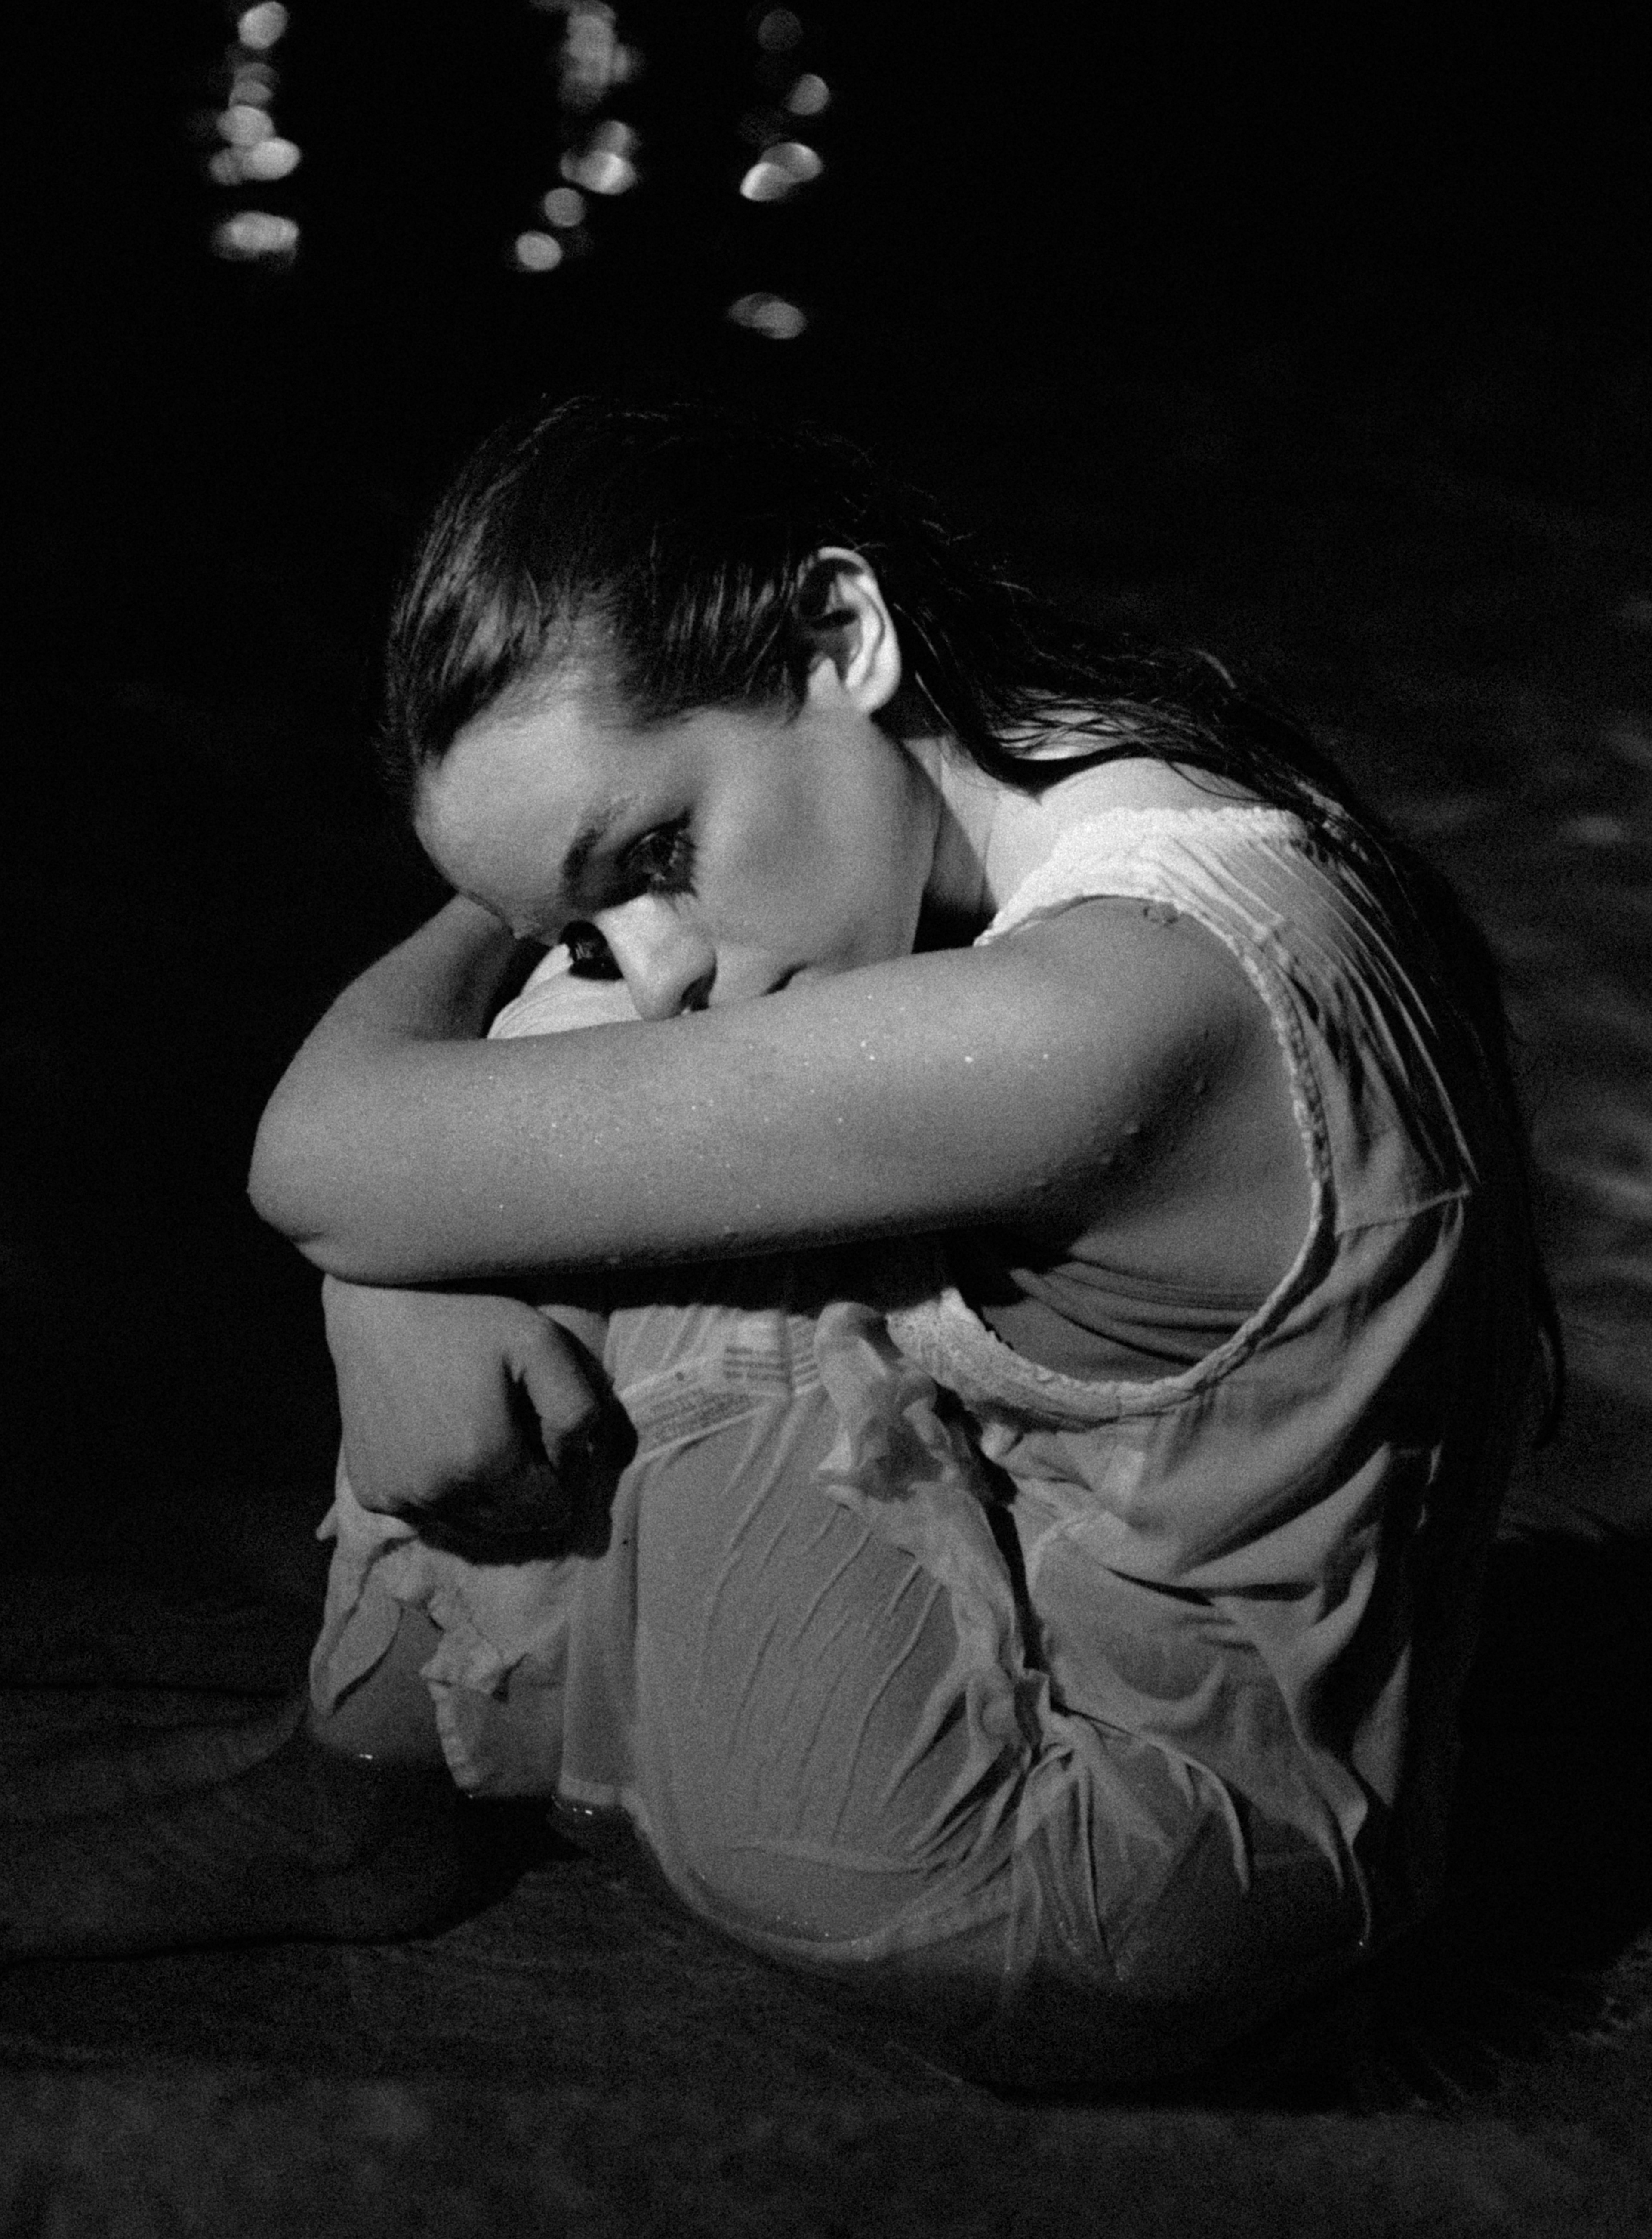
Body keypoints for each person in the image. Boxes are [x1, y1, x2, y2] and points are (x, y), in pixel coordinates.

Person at [2, 399, 1551, 2087]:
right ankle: (361, 1781)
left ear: (841, 632)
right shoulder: (1138, 788)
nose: (665, 954)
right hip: (1252, 1821)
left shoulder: (1099, 1018)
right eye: (601, 902)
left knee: (563, 1088)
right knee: (570, 1055)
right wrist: (539, 891)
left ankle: (364, 1803)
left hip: (1109, 1878)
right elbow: (378, 1147)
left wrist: (391, 1263)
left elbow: (316, 1153)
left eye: (663, 850)